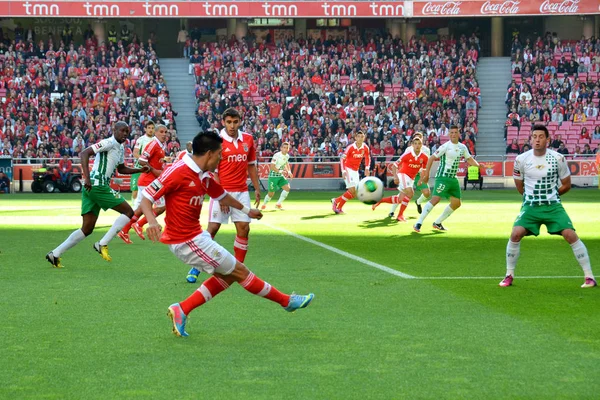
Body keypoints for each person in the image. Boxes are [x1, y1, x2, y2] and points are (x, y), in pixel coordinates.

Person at [140, 131, 314, 337]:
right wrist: (151, 221)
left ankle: (182, 309)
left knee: (229, 276)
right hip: (186, 241)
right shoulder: (178, 171)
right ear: (209, 154)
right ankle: (286, 301)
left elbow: (221, 195)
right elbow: (146, 196)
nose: (223, 158)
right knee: (240, 272)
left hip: (196, 237)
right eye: (220, 153)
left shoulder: (202, 174)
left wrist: (247, 211)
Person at [500, 125, 596, 288]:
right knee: (515, 234)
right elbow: (519, 185)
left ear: (548, 139)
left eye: (541, 137)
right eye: (534, 137)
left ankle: (589, 277)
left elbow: (566, 184)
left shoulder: (558, 158)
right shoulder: (521, 159)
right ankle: (509, 275)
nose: (537, 140)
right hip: (531, 207)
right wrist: (530, 198)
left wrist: (552, 196)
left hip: (553, 206)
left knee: (570, 235)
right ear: (530, 139)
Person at [45, 122, 148, 268]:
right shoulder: (108, 142)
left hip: (93, 187)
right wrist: (87, 178)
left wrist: (140, 170)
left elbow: (122, 169)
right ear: (114, 130)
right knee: (129, 211)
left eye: (127, 131)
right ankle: (102, 243)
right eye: (122, 131)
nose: (125, 134)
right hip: (96, 184)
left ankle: (55, 254)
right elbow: (84, 153)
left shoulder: (120, 147)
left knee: (86, 229)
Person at [186, 108, 261, 283]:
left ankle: (238, 269)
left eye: (235, 122)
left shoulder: (248, 140)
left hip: (242, 191)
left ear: (240, 121)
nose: (232, 126)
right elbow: (214, 171)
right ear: (223, 122)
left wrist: (256, 188)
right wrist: (221, 196)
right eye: (229, 122)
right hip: (221, 190)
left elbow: (251, 165)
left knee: (244, 228)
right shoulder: (217, 142)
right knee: (212, 229)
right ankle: (196, 267)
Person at [413, 125, 480, 232]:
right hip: (442, 177)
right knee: (435, 199)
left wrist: (478, 165)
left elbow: (469, 159)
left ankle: (438, 222)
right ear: (449, 134)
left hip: (453, 179)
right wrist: (426, 175)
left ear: (459, 134)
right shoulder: (445, 146)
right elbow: (431, 159)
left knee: (456, 203)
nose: (453, 134)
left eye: (455, 132)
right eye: (451, 133)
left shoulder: (462, 147)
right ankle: (418, 223)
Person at [118, 124, 168, 243]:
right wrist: (153, 170)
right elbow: (141, 160)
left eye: (166, 132)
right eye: (161, 132)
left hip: (149, 181)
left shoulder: (161, 145)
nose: (164, 134)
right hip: (148, 181)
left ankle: (124, 230)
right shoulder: (153, 144)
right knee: (161, 207)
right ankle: (139, 224)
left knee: (141, 209)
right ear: (155, 133)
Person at [372, 136, 428, 222]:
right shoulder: (407, 155)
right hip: (403, 175)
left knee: (400, 199)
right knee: (410, 193)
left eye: (419, 143)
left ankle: (380, 200)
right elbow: (395, 165)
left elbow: (424, 170)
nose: (417, 145)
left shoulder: (424, 157)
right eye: (415, 143)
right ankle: (400, 215)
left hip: (411, 178)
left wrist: (420, 180)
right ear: (412, 145)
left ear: (422, 145)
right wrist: (395, 176)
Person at [389, 132, 431, 218]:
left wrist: (425, 175)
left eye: (420, 138)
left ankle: (418, 202)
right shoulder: (408, 149)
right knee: (403, 193)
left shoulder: (426, 150)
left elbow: (426, 164)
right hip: (408, 174)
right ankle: (392, 211)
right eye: (416, 138)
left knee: (427, 193)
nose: (417, 141)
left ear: (422, 140)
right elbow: (403, 160)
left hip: (419, 174)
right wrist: (399, 173)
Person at [331, 130, 371, 214]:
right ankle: (338, 206)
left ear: (364, 138)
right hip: (348, 169)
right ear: (355, 138)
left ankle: (336, 201)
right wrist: (343, 171)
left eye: (362, 137)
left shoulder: (365, 147)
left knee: (354, 193)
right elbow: (342, 159)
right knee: (352, 190)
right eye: (358, 137)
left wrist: (367, 168)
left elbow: (367, 157)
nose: (360, 138)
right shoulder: (350, 147)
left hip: (355, 171)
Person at [261, 142, 293, 210]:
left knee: (287, 188)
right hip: (273, 176)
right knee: (271, 194)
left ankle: (278, 204)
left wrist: (289, 171)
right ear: (281, 148)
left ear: (288, 149)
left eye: (287, 148)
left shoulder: (287, 156)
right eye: (284, 147)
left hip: (280, 176)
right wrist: (281, 171)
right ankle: (264, 204)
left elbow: (286, 163)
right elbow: (272, 166)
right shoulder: (277, 155)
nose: (285, 149)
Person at [130, 121, 155, 203]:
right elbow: (135, 153)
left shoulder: (155, 141)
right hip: (139, 168)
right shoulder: (141, 140)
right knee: (135, 191)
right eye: (149, 128)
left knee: (150, 191)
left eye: (152, 128)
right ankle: (133, 209)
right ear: (145, 129)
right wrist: (143, 160)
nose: (151, 130)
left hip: (150, 169)